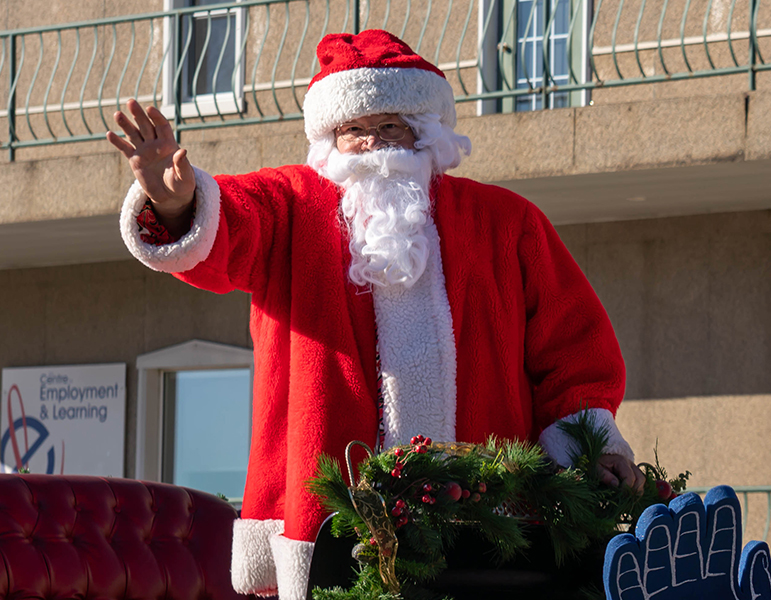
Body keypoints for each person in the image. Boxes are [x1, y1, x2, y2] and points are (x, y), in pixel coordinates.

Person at [108, 29, 644, 600]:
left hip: (490, 534)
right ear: (330, 139)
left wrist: (591, 446)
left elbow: (573, 350)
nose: (372, 145)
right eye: (353, 130)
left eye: (389, 127)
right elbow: (231, 227)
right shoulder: (292, 207)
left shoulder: (508, 223)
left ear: (425, 131)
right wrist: (177, 203)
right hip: (333, 536)